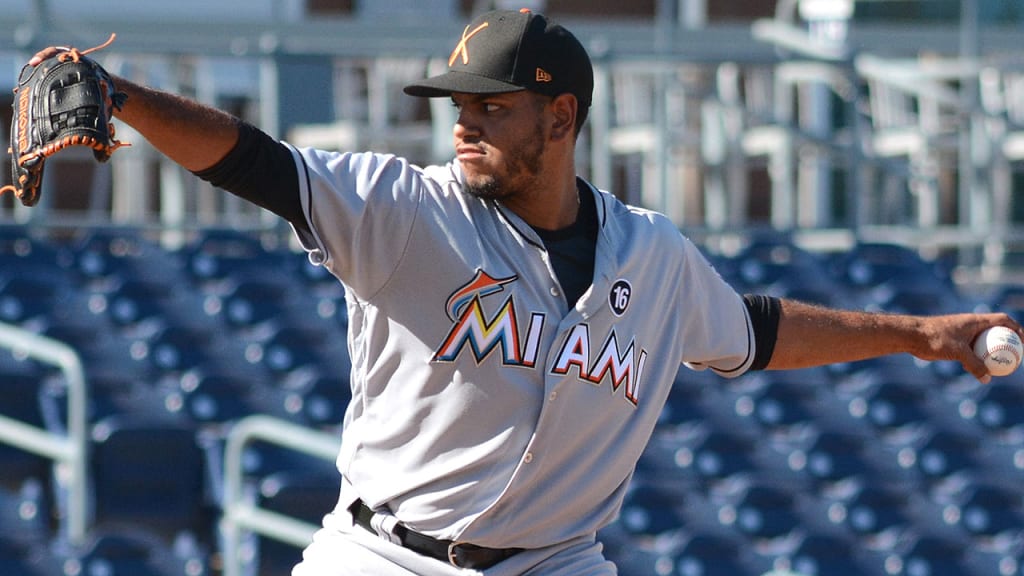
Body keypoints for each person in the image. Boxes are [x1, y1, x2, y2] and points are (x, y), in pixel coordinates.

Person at [28, 8, 1023, 575]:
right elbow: (255, 162)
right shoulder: (405, 211)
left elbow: (754, 332)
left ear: (560, 117)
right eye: (457, 107)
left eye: (490, 109)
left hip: (555, 564)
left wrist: (918, 333)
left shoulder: (653, 256)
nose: (463, 128)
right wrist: (126, 100)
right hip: (383, 560)